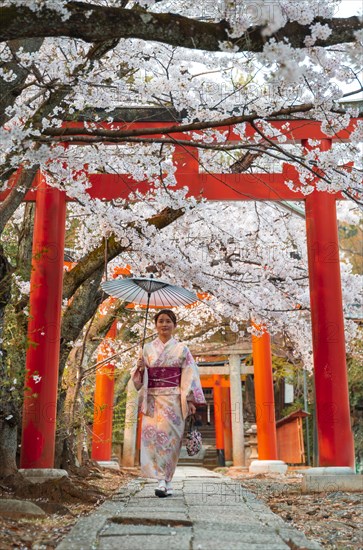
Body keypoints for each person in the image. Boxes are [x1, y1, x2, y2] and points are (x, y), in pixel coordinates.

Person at [131, 309, 206, 497]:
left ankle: (166, 479)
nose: (164, 324)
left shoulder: (182, 349)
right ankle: (161, 480)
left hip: (173, 399)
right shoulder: (146, 349)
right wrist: (140, 368)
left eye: (168, 321)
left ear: (174, 325)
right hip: (153, 399)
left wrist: (189, 400)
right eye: (161, 321)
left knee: (170, 440)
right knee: (152, 439)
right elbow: (138, 381)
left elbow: (189, 375)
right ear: (155, 325)